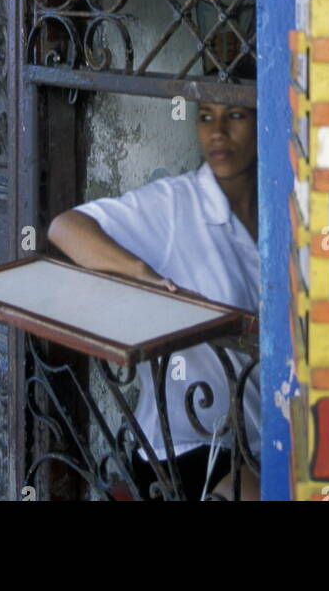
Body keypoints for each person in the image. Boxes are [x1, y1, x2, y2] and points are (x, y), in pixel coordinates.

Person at [48, 98, 260, 501]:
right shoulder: (176, 206)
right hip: (187, 444)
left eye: (235, 116)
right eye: (205, 117)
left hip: (272, 434)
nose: (218, 131)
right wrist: (145, 275)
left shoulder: (291, 207)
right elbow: (66, 228)